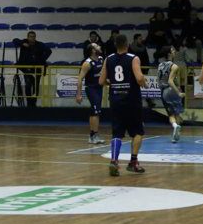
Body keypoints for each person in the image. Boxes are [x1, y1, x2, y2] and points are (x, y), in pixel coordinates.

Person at [99, 32, 147, 175]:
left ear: (115, 45)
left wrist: (112, 83)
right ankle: (133, 162)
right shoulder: (134, 58)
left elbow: (101, 81)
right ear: (127, 44)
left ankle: (114, 160)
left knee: (117, 132)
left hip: (115, 100)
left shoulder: (108, 59)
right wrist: (143, 81)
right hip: (131, 99)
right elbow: (139, 78)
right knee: (138, 131)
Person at [75, 42, 105, 145]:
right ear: (92, 50)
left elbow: (102, 75)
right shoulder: (87, 63)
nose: (99, 47)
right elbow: (80, 79)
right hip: (91, 89)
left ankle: (92, 136)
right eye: (97, 46)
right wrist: (78, 94)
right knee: (96, 112)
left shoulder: (101, 59)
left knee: (94, 112)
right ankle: (94, 135)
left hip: (99, 88)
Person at [156, 46, 184, 142]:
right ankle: (177, 134)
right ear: (169, 53)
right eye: (172, 50)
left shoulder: (160, 65)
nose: (174, 51)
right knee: (177, 113)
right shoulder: (174, 66)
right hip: (172, 90)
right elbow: (171, 81)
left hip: (163, 91)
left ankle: (175, 126)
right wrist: (178, 92)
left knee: (171, 115)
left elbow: (158, 80)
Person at [16, 30, 51, 107]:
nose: (32, 38)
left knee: (36, 86)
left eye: (34, 37)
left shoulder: (39, 44)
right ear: (27, 37)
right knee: (28, 85)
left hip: (37, 68)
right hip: (26, 68)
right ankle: (29, 103)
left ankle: (33, 103)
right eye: (31, 37)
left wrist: (41, 60)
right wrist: (22, 43)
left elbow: (49, 51)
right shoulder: (24, 42)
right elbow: (15, 41)